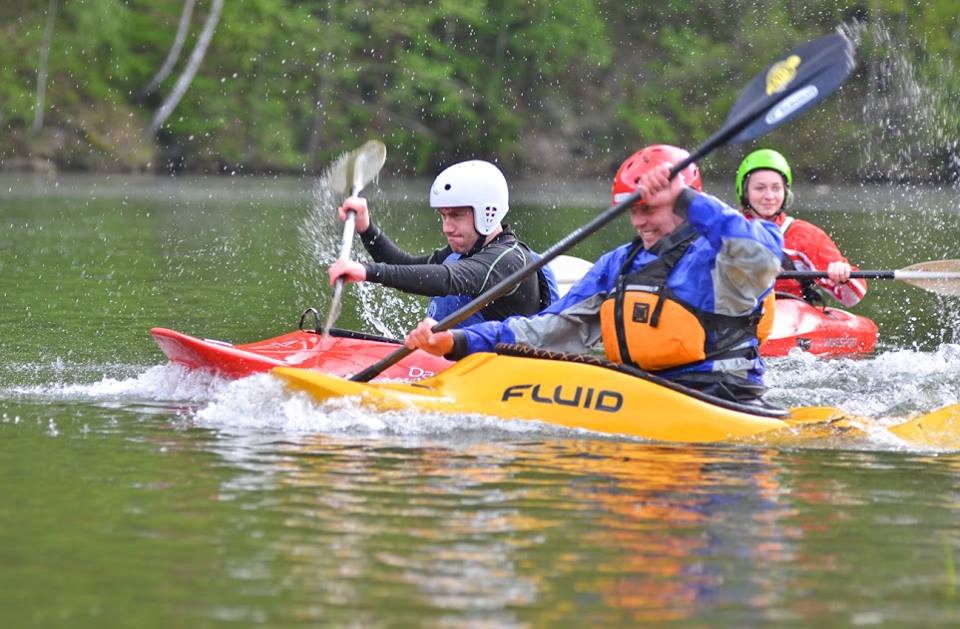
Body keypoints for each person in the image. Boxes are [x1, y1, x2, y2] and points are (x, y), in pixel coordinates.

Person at [404, 145, 784, 403]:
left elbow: (765, 252)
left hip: (724, 401)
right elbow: (550, 328)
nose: (640, 222)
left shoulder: (722, 259)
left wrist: (688, 199)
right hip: (643, 395)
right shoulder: (618, 265)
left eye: (651, 208)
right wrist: (457, 341)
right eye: (633, 210)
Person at [328, 160, 558, 327]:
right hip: (458, 368)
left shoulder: (508, 261)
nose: (447, 227)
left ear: (488, 212)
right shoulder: (467, 252)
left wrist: (366, 271)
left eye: (456, 215)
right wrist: (366, 228)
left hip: (500, 377)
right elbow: (404, 264)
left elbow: (447, 279)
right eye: (443, 216)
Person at [736, 148, 867, 307]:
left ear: (785, 192)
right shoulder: (725, 231)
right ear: (744, 192)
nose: (769, 196)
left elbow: (853, 297)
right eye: (760, 188)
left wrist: (843, 276)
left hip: (788, 319)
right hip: (736, 317)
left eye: (776, 188)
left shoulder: (805, 235)